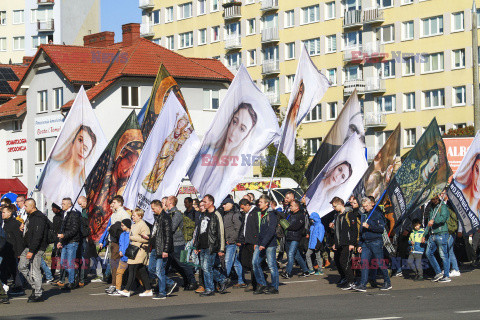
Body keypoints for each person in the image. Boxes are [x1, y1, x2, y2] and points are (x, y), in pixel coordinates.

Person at [188, 103, 258, 200]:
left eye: (242, 129)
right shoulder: (205, 152)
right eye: (234, 122)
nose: (233, 132)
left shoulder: (236, 169)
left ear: (246, 136)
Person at [39, 125, 98, 205]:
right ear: (73, 140)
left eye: (85, 148)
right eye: (80, 140)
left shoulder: (83, 184)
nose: (81, 149)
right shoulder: (53, 168)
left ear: (88, 155)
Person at [142, 115, 193, 193]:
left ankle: (156, 186)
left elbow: (179, 147)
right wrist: (168, 141)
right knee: (157, 167)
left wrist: (178, 142)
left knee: (162, 169)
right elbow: (166, 139)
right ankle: (149, 182)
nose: (180, 125)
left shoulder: (183, 134)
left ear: (184, 126)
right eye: (180, 122)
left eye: (183, 124)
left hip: (170, 154)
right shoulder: (172, 129)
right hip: (164, 151)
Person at [354, 196, 391, 292]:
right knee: (364, 262)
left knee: (379, 262)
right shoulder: (363, 215)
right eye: (363, 206)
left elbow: (380, 229)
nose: (364, 208)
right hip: (365, 242)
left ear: (371, 204)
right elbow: (361, 231)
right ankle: (363, 284)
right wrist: (360, 244)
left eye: (366, 206)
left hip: (375, 241)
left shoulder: (377, 214)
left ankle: (387, 282)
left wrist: (369, 226)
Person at [193, 195, 228, 297]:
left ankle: (209, 289)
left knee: (206, 267)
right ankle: (222, 279)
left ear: (211, 202)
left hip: (211, 246)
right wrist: (197, 245)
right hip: (202, 245)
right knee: (205, 268)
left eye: (205, 201)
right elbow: (200, 231)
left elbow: (221, 232)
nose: (203, 203)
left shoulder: (216, 214)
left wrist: (221, 248)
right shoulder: (203, 215)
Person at [18, 198, 48, 302]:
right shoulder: (31, 216)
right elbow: (30, 232)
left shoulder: (39, 217)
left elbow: (37, 235)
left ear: (32, 206)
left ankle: (38, 294)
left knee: (35, 270)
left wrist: (32, 250)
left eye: (26, 206)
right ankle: (35, 287)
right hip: (28, 246)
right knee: (21, 266)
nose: (24, 207)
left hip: (36, 248)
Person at [99, 195, 130, 294]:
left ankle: (116, 285)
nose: (112, 204)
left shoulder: (123, 214)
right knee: (114, 264)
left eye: (114, 202)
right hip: (113, 241)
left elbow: (125, 229)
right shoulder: (114, 214)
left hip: (118, 242)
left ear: (120, 203)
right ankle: (116, 284)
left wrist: (113, 229)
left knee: (116, 264)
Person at [165, 196, 197, 291]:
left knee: (183, 263)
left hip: (178, 243)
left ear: (170, 203)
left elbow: (171, 228)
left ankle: (192, 281)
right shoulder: (168, 213)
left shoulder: (177, 214)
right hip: (171, 244)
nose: (165, 202)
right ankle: (186, 280)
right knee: (175, 265)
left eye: (166, 201)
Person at [119, 208, 152, 297]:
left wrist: (133, 238)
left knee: (132, 269)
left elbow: (147, 239)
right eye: (132, 215)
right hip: (133, 250)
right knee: (142, 270)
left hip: (140, 251)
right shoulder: (134, 225)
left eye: (134, 215)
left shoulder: (143, 225)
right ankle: (148, 289)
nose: (132, 217)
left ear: (140, 216)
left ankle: (127, 290)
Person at [252, 195, 279, 294]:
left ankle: (274, 287)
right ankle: (262, 284)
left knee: (272, 266)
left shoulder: (271, 214)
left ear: (267, 203)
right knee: (255, 263)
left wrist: (264, 243)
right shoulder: (259, 213)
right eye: (259, 202)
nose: (259, 203)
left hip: (269, 244)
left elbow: (271, 230)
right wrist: (257, 243)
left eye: (261, 202)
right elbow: (258, 230)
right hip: (260, 243)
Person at [330, 197, 357, 290]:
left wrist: (352, 243)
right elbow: (339, 231)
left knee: (344, 261)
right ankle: (345, 278)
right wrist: (335, 243)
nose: (334, 208)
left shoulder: (349, 215)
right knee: (337, 260)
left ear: (340, 204)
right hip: (340, 243)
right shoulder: (337, 216)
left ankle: (351, 281)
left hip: (347, 242)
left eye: (334, 206)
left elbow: (354, 230)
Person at [150, 200, 176, 300]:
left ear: (158, 207)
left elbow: (168, 235)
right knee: (151, 269)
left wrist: (165, 250)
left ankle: (162, 292)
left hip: (161, 248)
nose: (152, 210)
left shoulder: (165, 218)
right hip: (154, 248)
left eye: (153, 208)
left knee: (159, 270)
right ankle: (169, 282)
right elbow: (155, 233)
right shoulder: (157, 218)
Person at [423, 194, 451, 283]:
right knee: (428, 253)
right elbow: (429, 222)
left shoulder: (442, 207)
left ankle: (446, 275)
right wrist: (425, 234)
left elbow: (443, 219)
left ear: (438, 198)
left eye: (435, 199)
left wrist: (434, 221)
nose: (434, 200)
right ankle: (438, 272)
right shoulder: (431, 208)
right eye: (432, 199)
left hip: (441, 233)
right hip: (432, 234)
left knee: (443, 255)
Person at [56, 198, 81, 290]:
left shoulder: (74, 214)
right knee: (63, 263)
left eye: (63, 204)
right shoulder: (64, 214)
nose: (62, 205)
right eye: (62, 203)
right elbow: (63, 228)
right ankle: (74, 274)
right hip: (65, 241)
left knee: (70, 263)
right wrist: (60, 241)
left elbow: (74, 229)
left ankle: (72, 281)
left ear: (69, 205)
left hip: (72, 242)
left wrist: (64, 235)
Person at [281, 200, 310, 278]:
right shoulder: (289, 214)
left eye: (292, 206)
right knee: (297, 256)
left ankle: (288, 272)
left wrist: (286, 226)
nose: (290, 207)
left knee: (290, 254)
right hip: (288, 237)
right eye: (290, 206)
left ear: (297, 207)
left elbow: (296, 227)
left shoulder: (301, 216)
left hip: (296, 238)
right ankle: (306, 271)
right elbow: (284, 220)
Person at [222, 197, 245, 288]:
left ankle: (223, 280)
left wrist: (232, 240)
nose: (223, 206)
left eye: (225, 204)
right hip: (227, 242)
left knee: (227, 261)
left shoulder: (235, 215)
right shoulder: (225, 215)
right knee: (235, 262)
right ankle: (241, 280)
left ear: (230, 204)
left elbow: (238, 229)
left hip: (232, 242)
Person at [1, 204, 24, 295]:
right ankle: (4, 286)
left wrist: (19, 252)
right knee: (4, 269)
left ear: (10, 213)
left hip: (12, 250)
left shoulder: (14, 223)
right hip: (4, 249)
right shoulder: (4, 222)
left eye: (4, 212)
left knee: (14, 270)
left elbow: (18, 239)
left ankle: (19, 287)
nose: (2, 214)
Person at [237, 198, 259, 292]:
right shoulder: (245, 214)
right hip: (246, 241)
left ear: (247, 205)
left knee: (252, 263)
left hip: (253, 241)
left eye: (243, 208)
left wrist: (256, 242)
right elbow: (244, 227)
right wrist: (240, 239)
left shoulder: (255, 212)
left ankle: (254, 283)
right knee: (244, 261)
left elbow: (257, 227)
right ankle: (259, 276)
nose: (242, 210)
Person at [109, 219, 131, 296]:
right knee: (119, 272)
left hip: (131, 257)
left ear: (127, 226)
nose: (121, 227)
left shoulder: (131, 234)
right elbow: (121, 244)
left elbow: (130, 245)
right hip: (123, 257)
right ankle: (118, 289)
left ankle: (146, 287)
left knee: (137, 273)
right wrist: (120, 251)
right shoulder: (122, 234)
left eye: (123, 225)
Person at [77, 196, 92, 287]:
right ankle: (82, 275)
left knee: (85, 256)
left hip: (87, 236)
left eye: (81, 203)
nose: (80, 205)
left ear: (85, 201)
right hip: (82, 236)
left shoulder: (89, 210)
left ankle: (83, 276)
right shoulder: (82, 211)